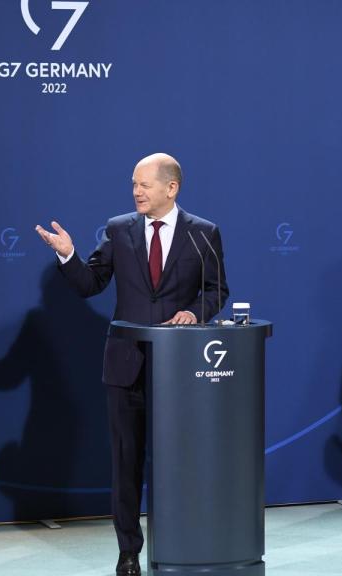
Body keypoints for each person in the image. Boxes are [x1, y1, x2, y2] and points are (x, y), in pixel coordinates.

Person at [35, 152, 228, 576]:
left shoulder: (203, 233)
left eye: (144, 184)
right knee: (126, 464)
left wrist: (194, 312)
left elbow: (217, 290)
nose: (136, 192)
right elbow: (91, 283)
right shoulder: (119, 229)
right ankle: (128, 553)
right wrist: (68, 256)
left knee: (179, 462)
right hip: (126, 366)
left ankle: (182, 544)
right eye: (133, 185)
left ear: (171, 188)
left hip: (179, 370)